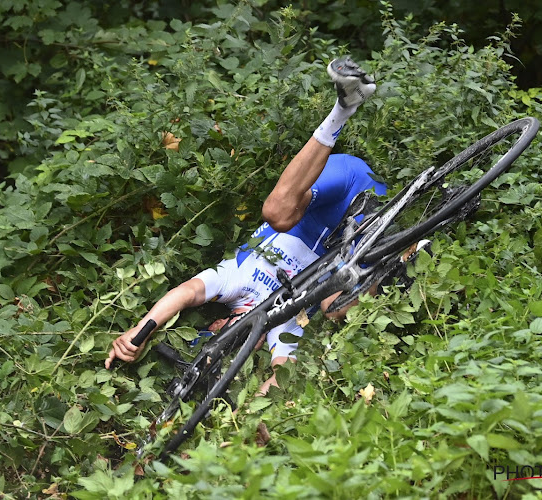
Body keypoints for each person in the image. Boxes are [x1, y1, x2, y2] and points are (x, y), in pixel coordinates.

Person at [105, 57, 397, 395]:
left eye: (219, 338)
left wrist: (138, 332)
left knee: (277, 213)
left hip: (340, 187)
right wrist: (248, 419)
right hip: (356, 232)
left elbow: (184, 294)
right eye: (231, 351)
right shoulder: (281, 324)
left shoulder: (232, 282)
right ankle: (407, 254)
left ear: (214, 322)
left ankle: (344, 106)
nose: (229, 342)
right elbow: (280, 378)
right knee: (334, 308)